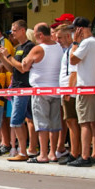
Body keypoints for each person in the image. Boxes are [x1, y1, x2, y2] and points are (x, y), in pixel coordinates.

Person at [21, 23, 64, 163]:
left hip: (41, 91)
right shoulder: (59, 47)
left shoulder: (38, 49)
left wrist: (25, 60)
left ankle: (43, 154)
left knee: (42, 124)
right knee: (54, 124)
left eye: (34, 33)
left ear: (40, 35)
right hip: (56, 90)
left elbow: (25, 66)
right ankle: (52, 153)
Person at [0, 20, 36, 162]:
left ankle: (24, 151)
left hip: (24, 88)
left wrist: (8, 56)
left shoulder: (29, 47)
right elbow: (12, 69)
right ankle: (25, 150)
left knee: (16, 121)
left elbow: (22, 68)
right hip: (17, 87)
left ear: (22, 30)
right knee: (22, 120)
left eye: (14, 30)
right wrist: (2, 56)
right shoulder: (19, 47)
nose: (12, 33)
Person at [68, 17, 95, 167]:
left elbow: (73, 60)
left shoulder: (87, 43)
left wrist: (75, 44)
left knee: (84, 123)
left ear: (79, 29)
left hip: (85, 86)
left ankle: (85, 155)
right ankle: (94, 153)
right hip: (94, 86)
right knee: (93, 122)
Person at [55, 24, 81, 164]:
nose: (57, 40)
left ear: (67, 36)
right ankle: (75, 150)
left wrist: (69, 90)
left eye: (59, 37)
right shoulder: (67, 50)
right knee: (70, 121)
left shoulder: (74, 49)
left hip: (70, 90)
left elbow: (74, 71)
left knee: (72, 121)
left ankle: (75, 152)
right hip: (65, 90)